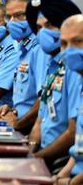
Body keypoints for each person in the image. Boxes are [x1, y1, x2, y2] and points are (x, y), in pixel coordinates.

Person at [25, 0, 81, 168]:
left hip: (60, 159)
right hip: (43, 152)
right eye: (38, 27)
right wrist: (30, 151)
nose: (42, 33)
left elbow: (72, 134)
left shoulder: (74, 69)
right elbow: (39, 122)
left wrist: (34, 161)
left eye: (49, 25)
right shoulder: (53, 66)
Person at [0, 0, 50, 134]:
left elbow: (43, 100)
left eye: (19, 15)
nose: (12, 22)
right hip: (18, 121)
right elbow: (26, 98)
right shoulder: (21, 47)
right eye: (9, 17)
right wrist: (11, 108)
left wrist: (17, 123)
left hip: (31, 129)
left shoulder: (41, 48)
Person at [54, 14, 83, 185]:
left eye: (78, 41)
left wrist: (70, 183)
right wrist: (60, 177)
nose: (69, 50)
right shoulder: (80, 82)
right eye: (64, 44)